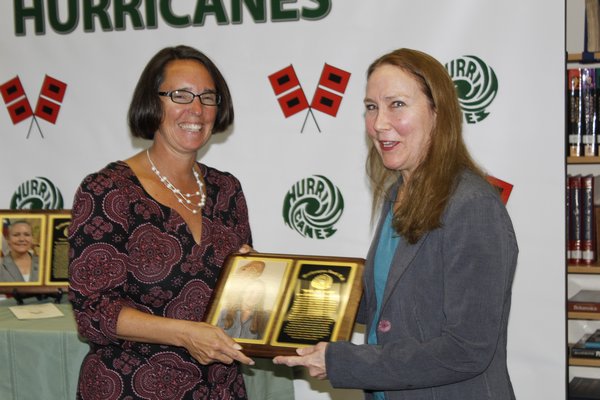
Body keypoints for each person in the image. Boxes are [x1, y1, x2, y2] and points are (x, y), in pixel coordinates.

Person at [274, 48, 519, 400]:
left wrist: (344, 362)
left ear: (438, 112)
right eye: (371, 107)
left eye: (397, 105)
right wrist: (275, 288)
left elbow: (466, 350)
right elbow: (388, 305)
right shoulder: (398, 193)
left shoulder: (472, 205)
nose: (379, 124)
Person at [68, 45, 256, 400]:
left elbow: (239, 301)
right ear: (153, 103)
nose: (196, 109)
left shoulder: (227, 190)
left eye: (207, 97)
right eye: (180, 95)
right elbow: (92, 312)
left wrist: (258, 280)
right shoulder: (108, 192)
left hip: (220, 388)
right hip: (131, 387)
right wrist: (184, 333)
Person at [218, 260, 268, 340]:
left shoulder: (264, 317)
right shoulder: (224, 312)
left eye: (259, 294)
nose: (254, 296)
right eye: (251, 292)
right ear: (243, 293)